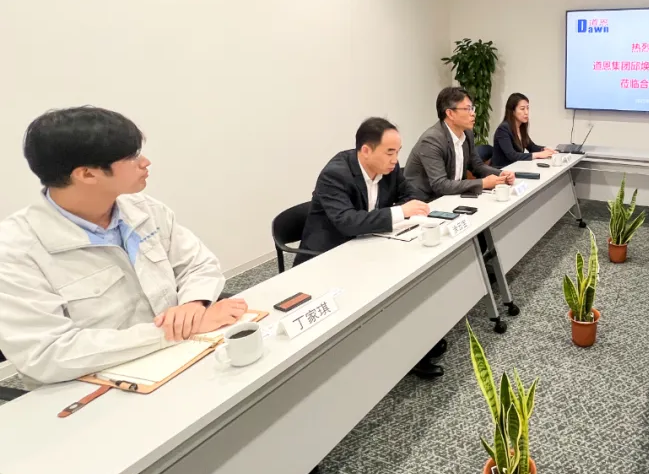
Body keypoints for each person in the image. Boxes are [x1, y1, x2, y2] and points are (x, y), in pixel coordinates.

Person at [0, 106, 247, 386]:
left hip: (179, 356)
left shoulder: (143, 209)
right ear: (87, 174)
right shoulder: (15, 251)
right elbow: (48, 355)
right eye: (131, 157)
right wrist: (170, 333)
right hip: (90, 386)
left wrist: (193, 304)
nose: (145, 162)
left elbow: (198, 263)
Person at [295, 117, 444, 378]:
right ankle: (407, 352)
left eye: (398, 152)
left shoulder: (390, 169)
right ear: (366, 150)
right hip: (328, 256)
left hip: (368, 243)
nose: (395, 160)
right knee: (390, 286)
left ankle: (416, 343)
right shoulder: (335, 174)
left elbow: (409, 195)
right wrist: (400, 212)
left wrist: (405, 209)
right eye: (389, 152)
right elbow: (347, 222)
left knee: (409, 277)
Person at [405, 86, 515, 201]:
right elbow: (440, 184)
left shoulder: (467, 134)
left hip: (452, 197)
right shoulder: (431, 140)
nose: (473, 114)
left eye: (473, 108)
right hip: (425, 201)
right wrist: (483, 183)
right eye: (467, 109)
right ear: (450, 113)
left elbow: (477, 166)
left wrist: (501, 174)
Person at [491, 93, 555, 169]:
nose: (526, 112)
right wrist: (538, 155)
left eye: (527, 108)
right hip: (502, 170)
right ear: (512, 111)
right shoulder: (503, 129)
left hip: (516, 167)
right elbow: (512, 155)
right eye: (522, 109)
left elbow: (532, 147)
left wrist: (545, 149)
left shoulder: (521, 127)